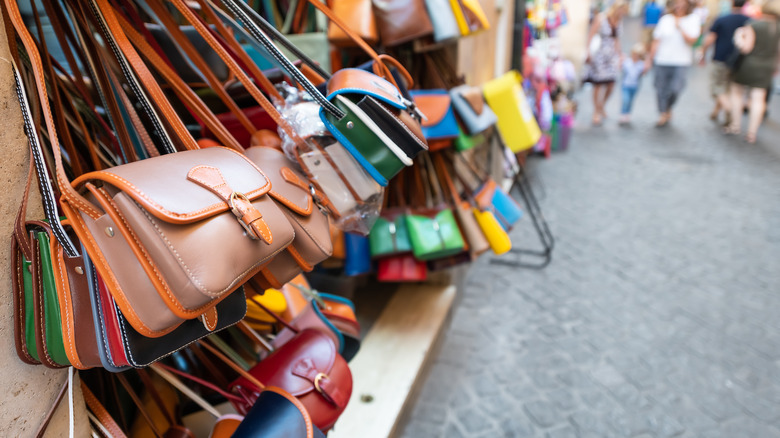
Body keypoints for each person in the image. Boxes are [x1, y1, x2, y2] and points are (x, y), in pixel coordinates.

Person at [726, 0, 780, 143]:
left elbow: (746, 48)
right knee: (759, 98)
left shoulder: (754, 25)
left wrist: (738, 36)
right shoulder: (778, 27)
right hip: (767, 65)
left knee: (737, 93)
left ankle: (735, 125)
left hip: (749, 64)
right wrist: (776, 66)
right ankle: (752, 133)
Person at [646, 0, 702, 127]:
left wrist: (680, 27)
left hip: (681, 61)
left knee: (676, 88)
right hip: (662, 59)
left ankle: (668, 107)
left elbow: (692, 41)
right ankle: (663, 112)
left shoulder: (693, 19)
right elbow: (656, 40)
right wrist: (650, 59)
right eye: (676, 2)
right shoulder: (666, 19)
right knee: (660, 88)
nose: (678, 5)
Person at [700, 0, 749, 125]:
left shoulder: (722, 19)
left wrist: (703, 53)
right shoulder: (750, 21)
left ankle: (730, 111)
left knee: (717, 88)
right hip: (740, 62)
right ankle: (717, 112)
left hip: (721, 58)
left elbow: (710, 38)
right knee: (728, 89)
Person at [585, 1, 629, 126]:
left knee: (611, 84)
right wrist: (587, 51)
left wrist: (620, 55)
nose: (622, 13)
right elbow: (591, 35)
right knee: (598, 85)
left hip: (612, 56)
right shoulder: (601, 18)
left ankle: (601, 106)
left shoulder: (619, 21)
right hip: (600, 54)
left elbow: (616, 40)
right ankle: (596, 111)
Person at [620, 44, 647, 125]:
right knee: (626, 99)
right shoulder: (627, 62)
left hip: (635, 85)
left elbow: (643, 73)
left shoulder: (641, 64)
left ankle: (627, 113)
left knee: (630, 100)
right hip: (626, 84)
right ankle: (623, 113)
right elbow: (621, 68)